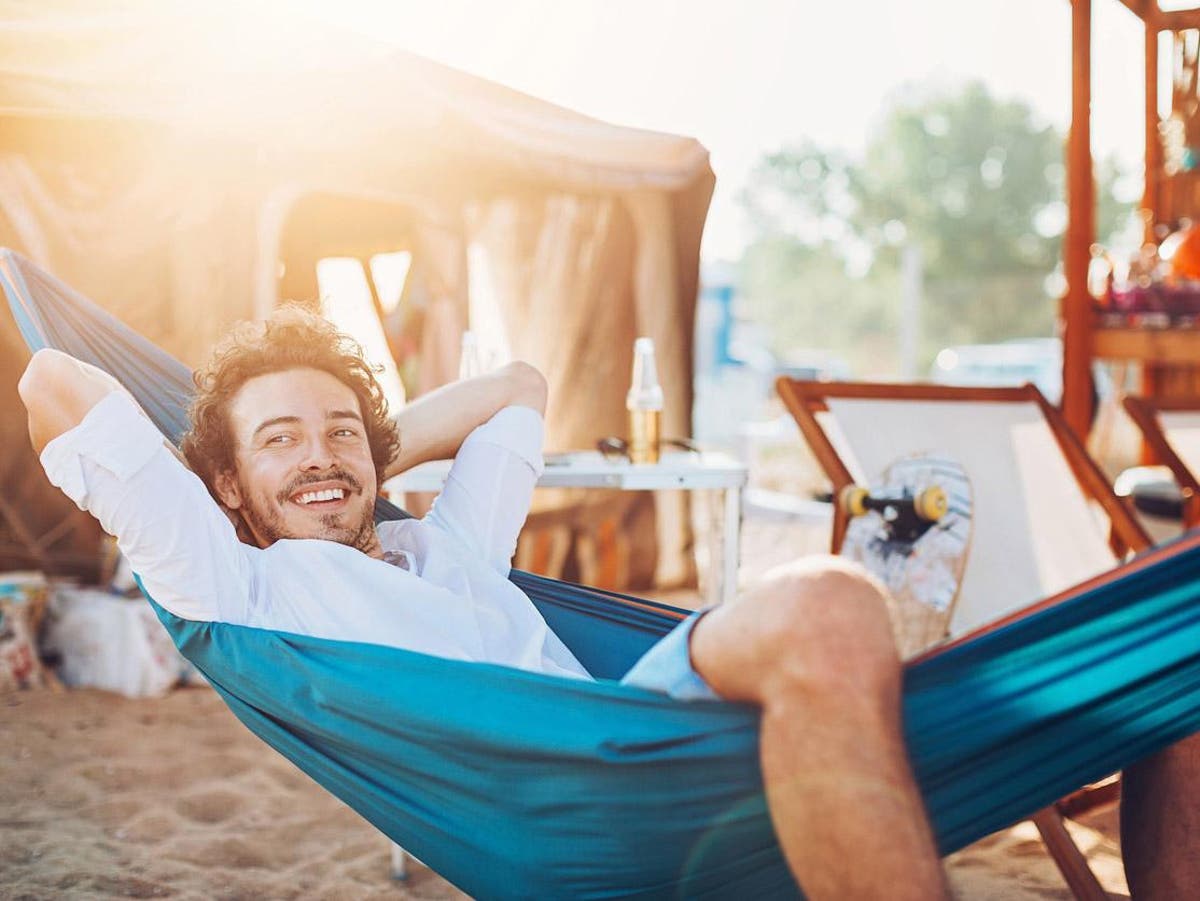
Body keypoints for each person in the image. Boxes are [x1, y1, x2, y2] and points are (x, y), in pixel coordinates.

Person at [19, 306, 947, 900]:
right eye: (280, 439)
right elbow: (50, 381)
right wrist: (276, 478)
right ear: (221, 483)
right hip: (575, 792)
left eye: (339, 429)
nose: (318, 452)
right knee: (824, 603)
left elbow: (518, 390)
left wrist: (360, 457)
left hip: (647, 736)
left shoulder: (447, 543)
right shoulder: (235, 584)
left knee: (846, 634)